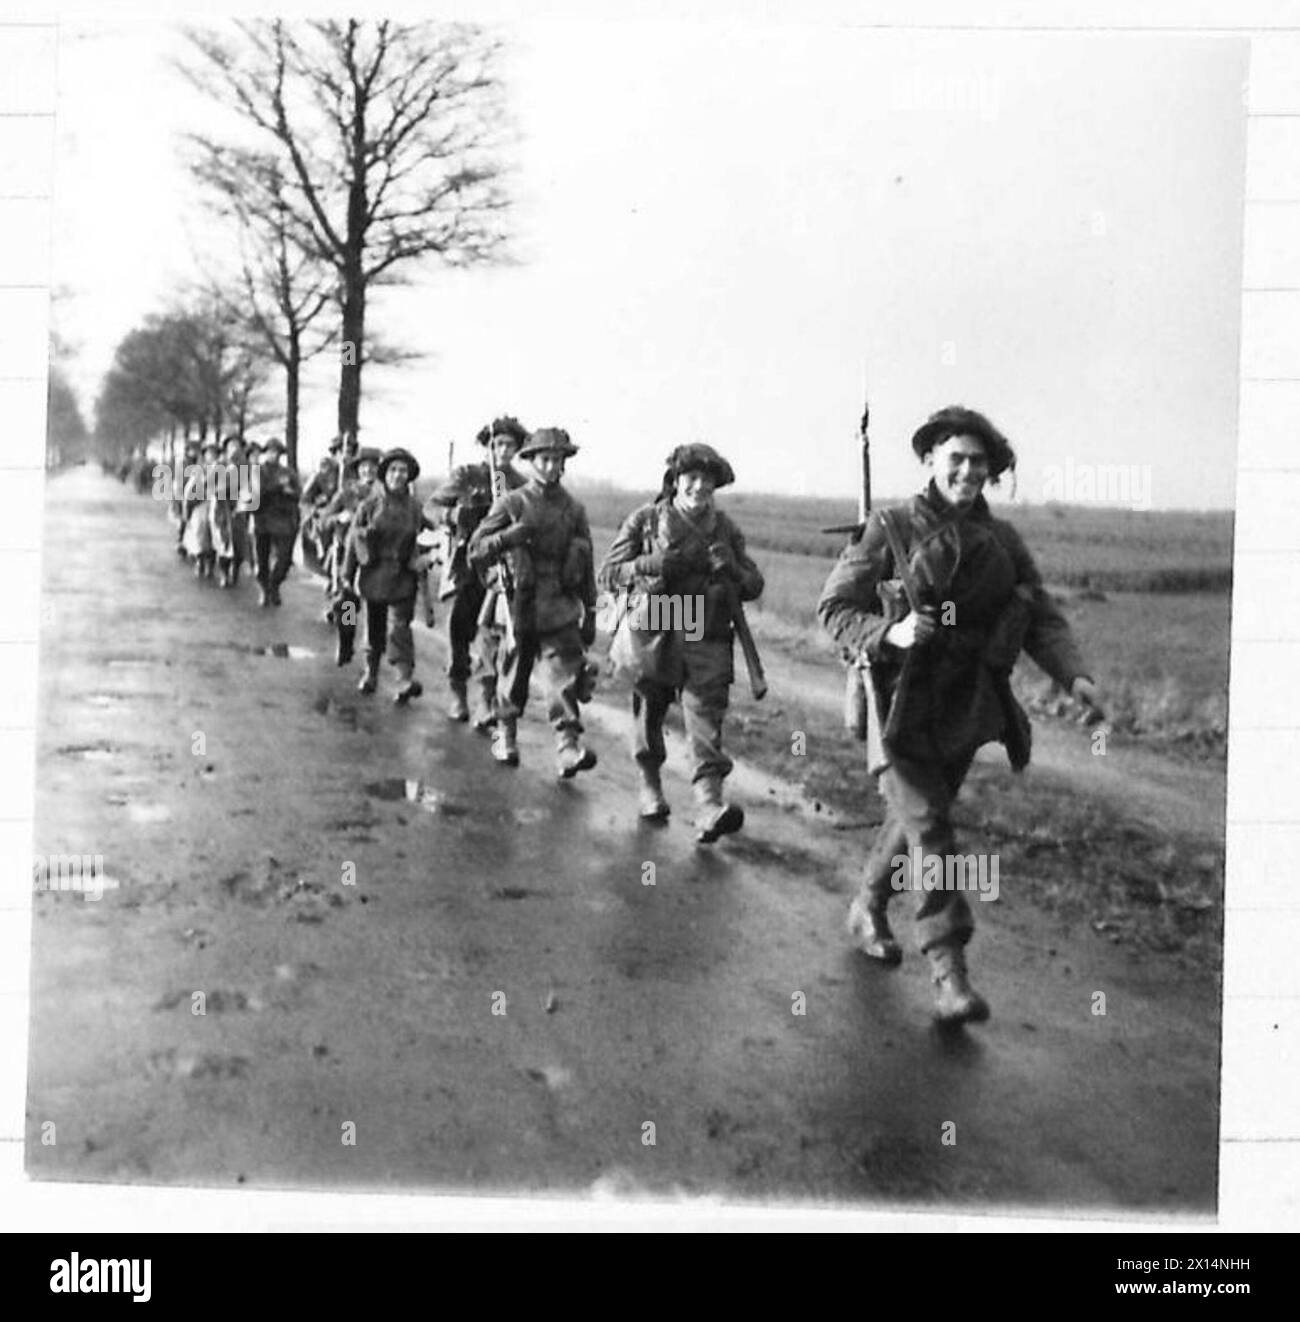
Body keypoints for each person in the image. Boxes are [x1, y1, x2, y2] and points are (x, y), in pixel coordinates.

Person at [816, 405, 1103, 1026]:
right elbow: (834, 609)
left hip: (965, 706)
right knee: (933, 832)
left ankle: (867, 905)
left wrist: (1074, 676)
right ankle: (949, 974)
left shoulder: (1003, 544)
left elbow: (1042, 616)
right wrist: (889, 634)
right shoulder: (888, 528)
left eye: (979, 462)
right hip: (899, 703)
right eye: (957, 459)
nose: (968, 471)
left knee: (919, 817)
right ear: (930, 460)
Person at [598, 444, 765, 841]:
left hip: (705, 628)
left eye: (707, 481)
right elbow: (608, 574)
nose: (699, 487)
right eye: (691, 478)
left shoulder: (725, 529)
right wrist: (648, 565)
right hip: (656, 624)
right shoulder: (646, 520)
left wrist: (734, 571)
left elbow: (755, 584)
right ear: (675, 481)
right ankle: (649, 785)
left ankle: (708, 804)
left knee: (706, 714)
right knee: (650, 710)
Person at [468, 427, 599, 776]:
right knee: (513, 672)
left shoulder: (573, 509)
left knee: (563, 677)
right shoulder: (512, 502)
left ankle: (568, 747)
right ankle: (505, 736)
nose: (551, 466)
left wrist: (591, 610)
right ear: (531, 462)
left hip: (559, 604)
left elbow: (585, 561)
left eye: (557, 460)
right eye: (544, 459)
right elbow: (476, 549)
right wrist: (508, 538)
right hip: (518, 605)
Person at [424, 416, 529, 724]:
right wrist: (453, 514)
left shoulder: (521, 486)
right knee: (458, 628)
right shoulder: (467, 476)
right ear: (487, 447)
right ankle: (457, 690)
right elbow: (429, 508)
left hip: (499, 568)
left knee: (491, 635)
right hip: (465, 564)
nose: (503, 451)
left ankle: (486, 700)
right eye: (497, 444)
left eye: (510, 445)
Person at [351, 446, 431, 703]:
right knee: (374, 627)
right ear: (384, 474)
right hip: (374, 574)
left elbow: (430, 533)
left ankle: (403, 678)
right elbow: (353, 541)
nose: (398, 475)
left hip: (403, 576)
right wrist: (344, 576)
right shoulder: (369, 505)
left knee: (400, 628)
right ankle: (370, 672)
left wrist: (429, 552)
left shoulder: (415, 508)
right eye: (393, 470)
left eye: (403, 471)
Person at [321, 446, 382, 665]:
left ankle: (371, 667)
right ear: (358, 470)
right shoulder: (347, 493)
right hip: (349, 559)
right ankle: (346, 642)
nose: (368, 472)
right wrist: (338, 518)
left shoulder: (387, 496)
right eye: (364, 468)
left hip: (377, 561)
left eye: (373, 468)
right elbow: (323, 520)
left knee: (376, 617)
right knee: (348, 607)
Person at [250, 437, 301, 608]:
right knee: (262, 559)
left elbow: (298, 494)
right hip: (263, 519)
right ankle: (265, 589)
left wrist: (289, 491)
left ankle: (274, 584)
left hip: (283, 520)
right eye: (271, 451)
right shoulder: (257, 471)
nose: (274, 455)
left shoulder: (288, 472)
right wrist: (278, 487)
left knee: (284, 559)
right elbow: (256, 494)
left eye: (277, 452)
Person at [209, 435, 252, 589]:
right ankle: (224, 572)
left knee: (239, 542)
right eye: (231, 445)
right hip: (220, 507)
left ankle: (236, 568)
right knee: (223, 541)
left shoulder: (246, 466)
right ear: (226, 448)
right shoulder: (219, 465)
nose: (235, 448)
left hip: (238, 507)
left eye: (238, 445)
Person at [181, 440, 220, 580]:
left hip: (216, 505)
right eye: (209, 454)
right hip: (200, 506)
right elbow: (189, 491)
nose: (211, 457)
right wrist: (188, 507)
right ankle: (200, 560)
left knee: (214, 534)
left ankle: (211, 563)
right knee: (200, 533)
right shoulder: (199, 470)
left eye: (214, 454)